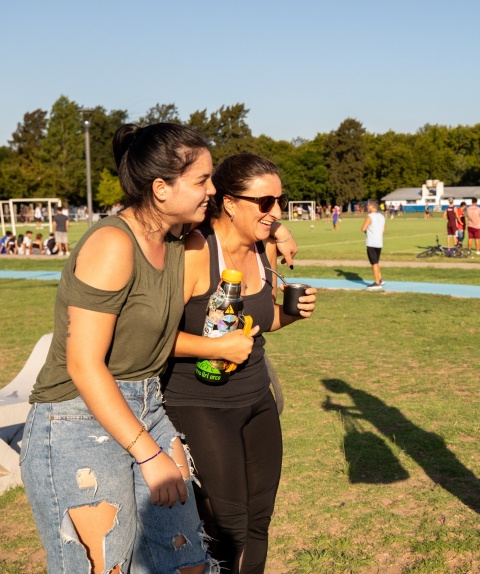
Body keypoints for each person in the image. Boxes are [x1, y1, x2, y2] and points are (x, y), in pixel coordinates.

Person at [20, 123, 218, 574]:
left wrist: (278, 232)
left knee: (186, 561)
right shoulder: (113, 243)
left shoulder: (179, 240)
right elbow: (83, 363)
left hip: (146, 404)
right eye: (202, 180)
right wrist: (149, 454)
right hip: (76, 418)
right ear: (161, 188)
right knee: (104, 567)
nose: (212, 190)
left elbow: (243, 224)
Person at [162, 153, 316, 574]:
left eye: (280, 202)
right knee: (227, 528)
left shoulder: (261, 251)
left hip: (256, 399)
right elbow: (152, 338)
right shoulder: (196, 251)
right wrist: (213, 349)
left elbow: (256, 326)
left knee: (258, 523)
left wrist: (292, 313)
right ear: (229, 202)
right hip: (200, 405)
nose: (277, 213)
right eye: (265, 203)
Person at [362, 198, 386, 290]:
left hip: (371, 242)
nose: (367, 207)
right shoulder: (382, 216)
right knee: (376, 262)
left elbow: (363, 229)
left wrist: (369, 231)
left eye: (367, 205)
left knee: (374, 263)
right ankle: (380, 279)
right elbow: (383, 230)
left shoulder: (370, 216)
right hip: (379, 243)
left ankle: (377, 283)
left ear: (372, 206)